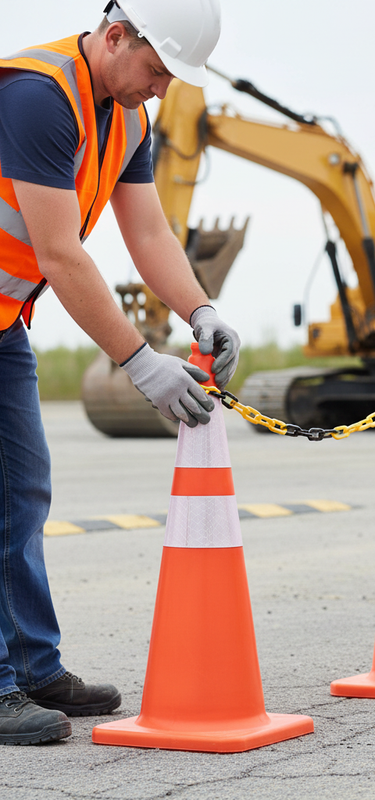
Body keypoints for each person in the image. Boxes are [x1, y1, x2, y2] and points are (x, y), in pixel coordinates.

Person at [0, 0, 239, 745]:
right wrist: (139, 362)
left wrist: (201, 310)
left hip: (3, 323)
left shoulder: (128, 116)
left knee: (24, 489)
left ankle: (35, 669)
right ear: (114, 36)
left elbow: (147, 231)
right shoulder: (38, 96)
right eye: (158, 69)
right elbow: (61, 254)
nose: (162, 89)